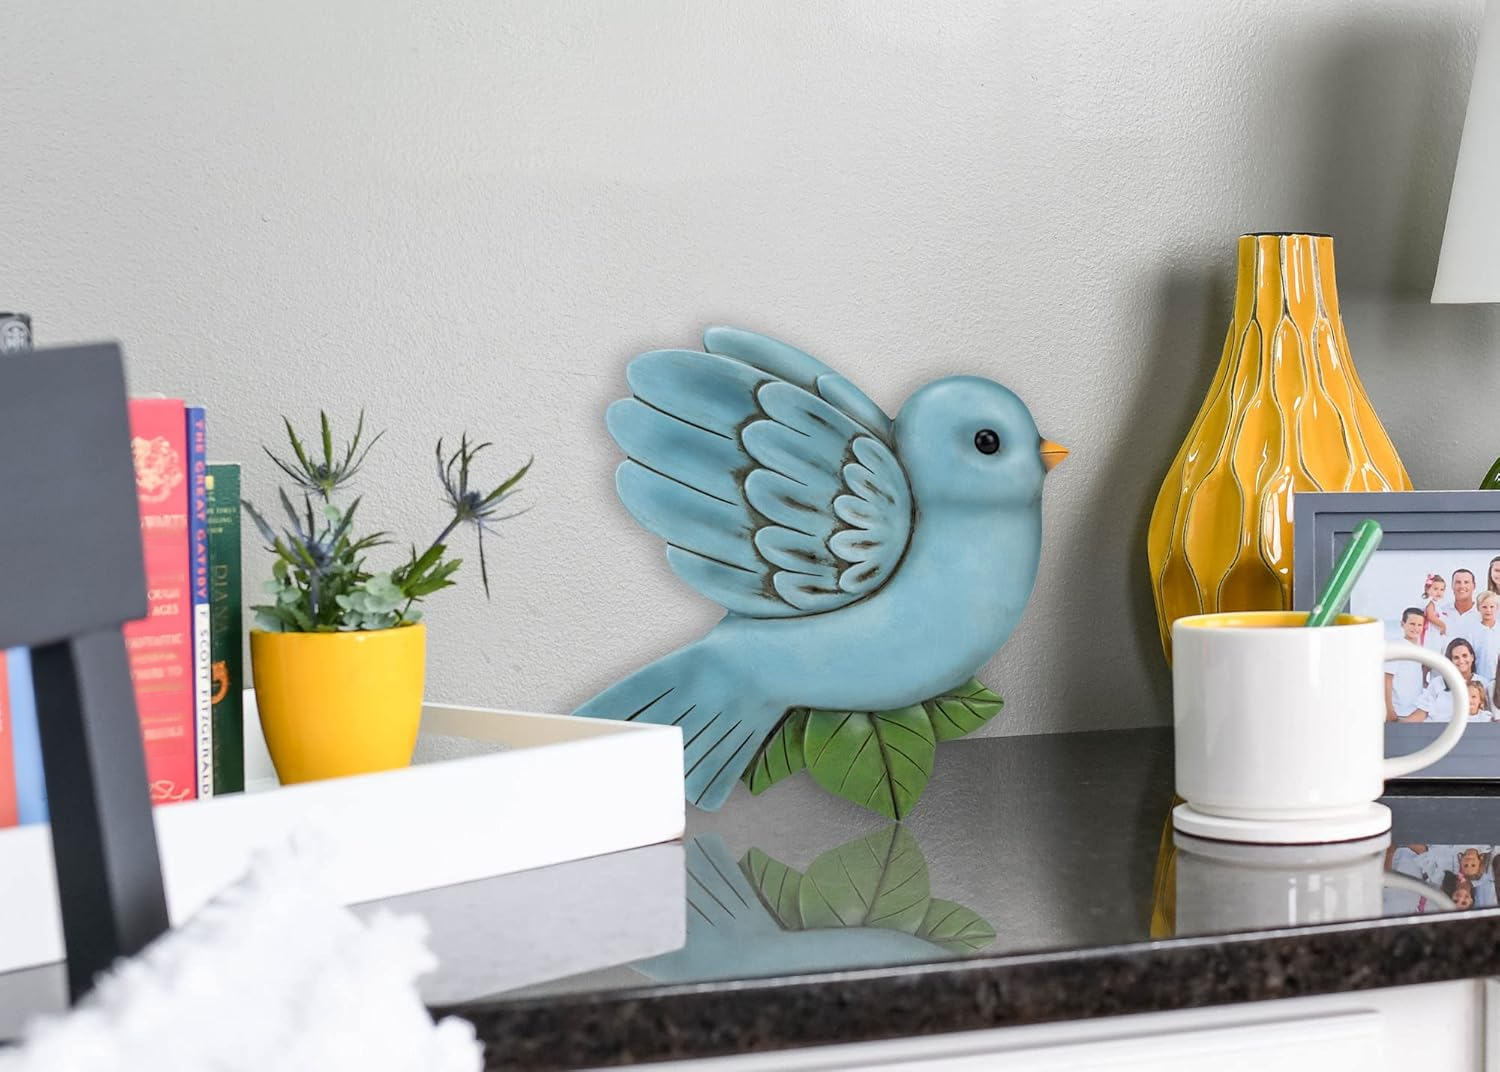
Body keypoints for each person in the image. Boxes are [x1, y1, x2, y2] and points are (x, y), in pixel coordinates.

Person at [1403, 639, 1489, 722]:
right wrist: (1399, 727)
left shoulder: (1482, 683)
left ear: (1472, 657)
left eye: (1464, 655)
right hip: (1440, 729)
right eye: (1456, 657)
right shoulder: (1437, 683)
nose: (1461, 660)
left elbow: (1488, 715)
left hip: (1471, 729)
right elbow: (1422, 712)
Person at [1386, 608, 1430, 721]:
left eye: (1419, 625)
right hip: (1398, 711)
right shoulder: (1396, 647)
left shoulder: (1419, 649)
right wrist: (1389, 709)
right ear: (1403, 624)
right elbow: (1387, 678)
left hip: (1414, 711)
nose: (1415, 628)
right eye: (1412, 624)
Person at [1475, 591, 1500, 686]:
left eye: (1492, 607)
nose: (1488, 610)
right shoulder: (1473, 632)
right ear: (1478, 608)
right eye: (1484, 607)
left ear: (1497, 608)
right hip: (1481, 679)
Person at [1422, 574, 1450, 651]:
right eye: (1435, 589)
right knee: (1433, 647)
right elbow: (1430, 616)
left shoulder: (1438, 605)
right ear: (1427, 590)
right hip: (1431, 631)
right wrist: (1443, 626)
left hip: (1436, 630)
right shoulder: (1430, 603)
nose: (1439, 592)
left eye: (1442, 590)